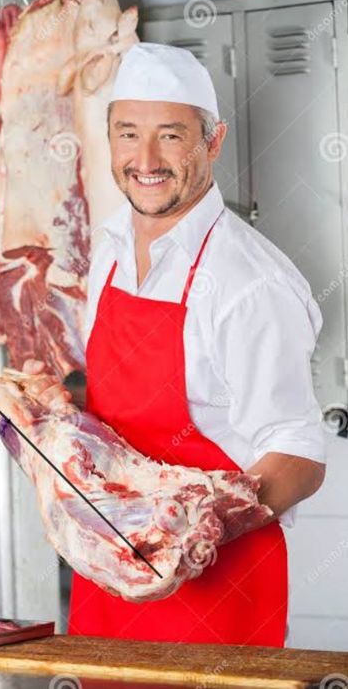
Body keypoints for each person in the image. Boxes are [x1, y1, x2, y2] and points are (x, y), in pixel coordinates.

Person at [20, 43, 326, 646]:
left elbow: (299, 451)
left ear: (212, 142)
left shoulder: (250, 281)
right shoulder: (109, 249)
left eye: (171, 136)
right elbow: (121, 410)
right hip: (111, 574)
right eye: (128, 134)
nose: (146, 160)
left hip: (219, 586)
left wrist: (194, 533)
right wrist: (52, 417)